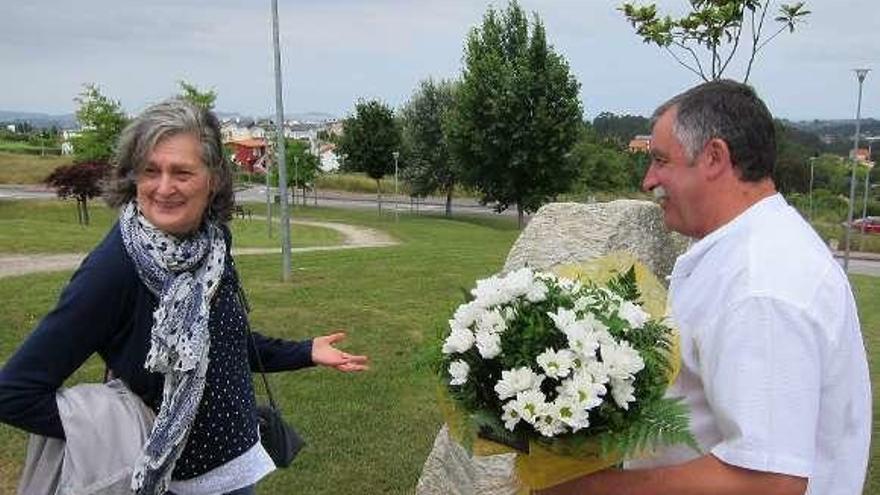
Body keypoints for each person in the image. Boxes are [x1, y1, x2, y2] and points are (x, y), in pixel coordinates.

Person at [0, 99, 368, 495]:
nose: (163, 187)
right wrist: (118, 428)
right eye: (150, 171)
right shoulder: (115, 269)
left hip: (239, 467)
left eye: (182, 172)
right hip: (175, 484)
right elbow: (14, 393)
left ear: (212, 179)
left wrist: (305, 351)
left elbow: (225, 343)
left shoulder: (210, 243)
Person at [539, 80, 871, 495]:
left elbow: (769, 482)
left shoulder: (761, 283)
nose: (648, 180)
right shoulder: (741, 254)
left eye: (661, 160)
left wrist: (593, 489)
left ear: (714, 157)